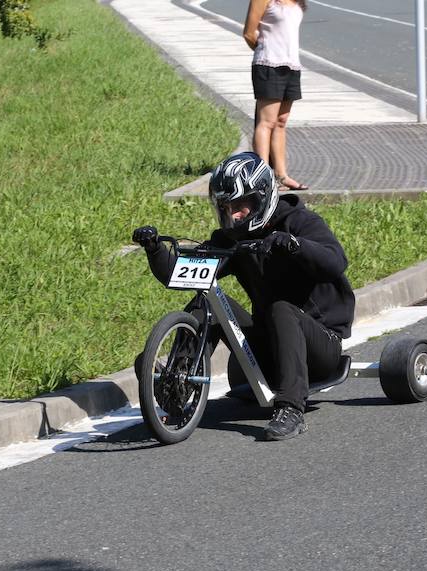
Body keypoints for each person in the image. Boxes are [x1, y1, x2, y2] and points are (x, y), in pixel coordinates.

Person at [133, 152, 354, 441]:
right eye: (226, 207)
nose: (233, 215)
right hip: (270, 343)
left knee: (281, 308)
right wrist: (154, 250)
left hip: (321, 347)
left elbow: (336, 262)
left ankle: (291, 408)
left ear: (261, 197)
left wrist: (293, 246)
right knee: (205, 299)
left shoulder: (300, 222)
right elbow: (182, 274)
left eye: (240, 206)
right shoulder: (232, 239)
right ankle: (177, 387)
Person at [243, 0, 309, 192]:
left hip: (291, 65)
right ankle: (262, 178)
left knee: (280, 122)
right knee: (266, 122)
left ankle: (282, 176)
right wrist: (267, 50)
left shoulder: (296, 2)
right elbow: (248, 32)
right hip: (269, 64)